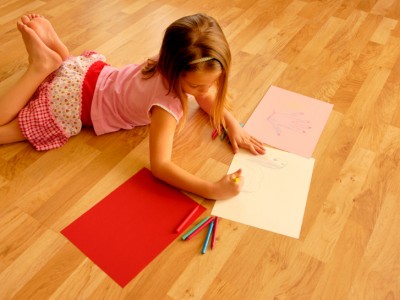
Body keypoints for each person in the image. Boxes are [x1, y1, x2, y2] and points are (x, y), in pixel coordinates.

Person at [0, 13, 265, 199]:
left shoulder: (174, 56)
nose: (205, 91)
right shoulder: (166, 105)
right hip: (72, 101)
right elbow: (160, 166)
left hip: (89, 73)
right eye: (196, 86)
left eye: (211, 83)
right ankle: (40, 67)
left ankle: (58, 59)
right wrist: (211, 189)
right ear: (176, 71)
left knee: (66, 69)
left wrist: (231, 124)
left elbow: (205, 96)